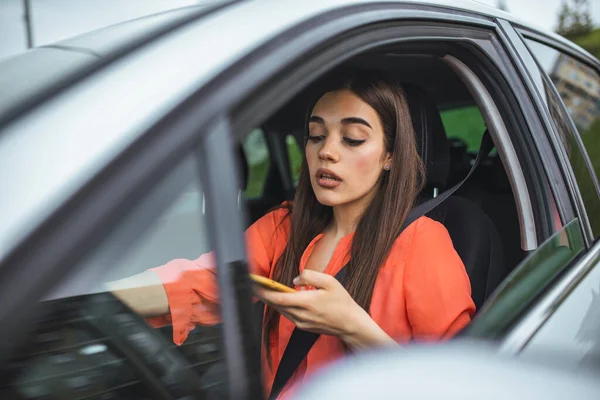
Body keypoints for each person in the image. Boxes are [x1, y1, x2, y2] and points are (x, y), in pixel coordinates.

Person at [107, 70, 476, 399]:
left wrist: (354, 327)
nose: (326, 152)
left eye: (352, 139)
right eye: (316, 135)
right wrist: (87, 298)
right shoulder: (284, 227)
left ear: (390, 156)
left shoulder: (423, 243)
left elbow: (457, 384)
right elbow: (198, 280)